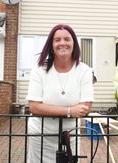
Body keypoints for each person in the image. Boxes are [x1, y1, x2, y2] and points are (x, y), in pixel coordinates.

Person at [26, 24, 94, 163]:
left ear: (74, 43)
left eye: (67, 39)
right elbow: (34, 107)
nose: (62, 43)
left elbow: (85, 107)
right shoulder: (39, 69)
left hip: (70, 135)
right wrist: (70, 110)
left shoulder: (84, 70)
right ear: (51, 45)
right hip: (40, 135)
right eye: (57, 40)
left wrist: (48, 108)